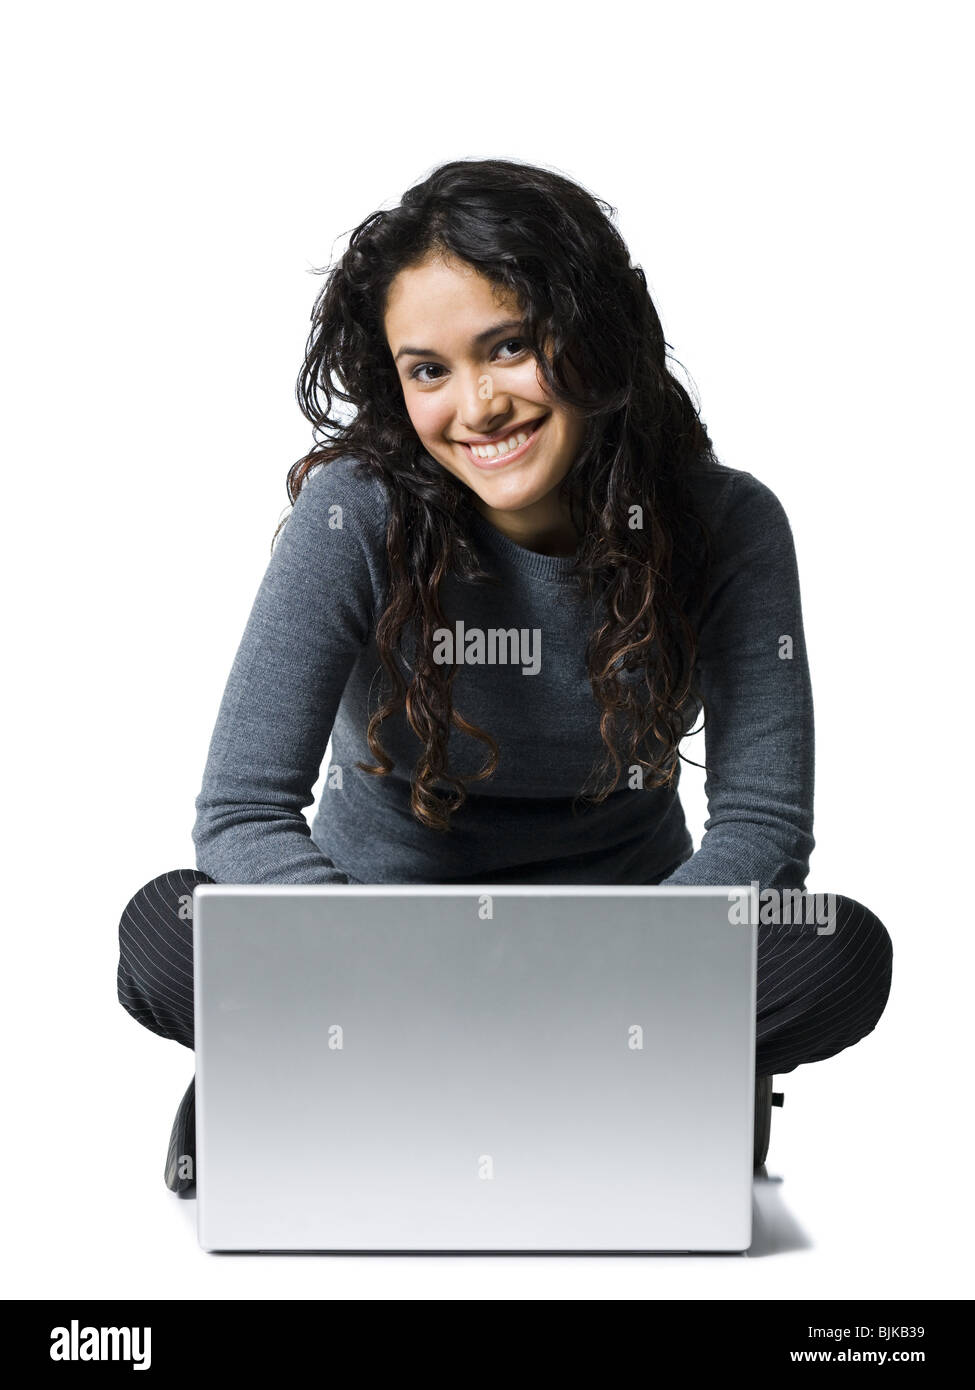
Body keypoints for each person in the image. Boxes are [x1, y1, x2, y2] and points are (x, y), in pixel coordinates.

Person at [117, 158, 893, 1194]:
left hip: (626, 947)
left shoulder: (729, 523)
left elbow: (762, 826)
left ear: (595, 329)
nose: (476, 405)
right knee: (161, 927)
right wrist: (382, 960)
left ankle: (354, 1087)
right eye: (427, 369)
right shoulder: (354, 514)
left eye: (511, 347)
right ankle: (600, 1097)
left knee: (839, 949)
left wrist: (615, 967)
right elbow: (242, 811)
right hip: (376, 938)